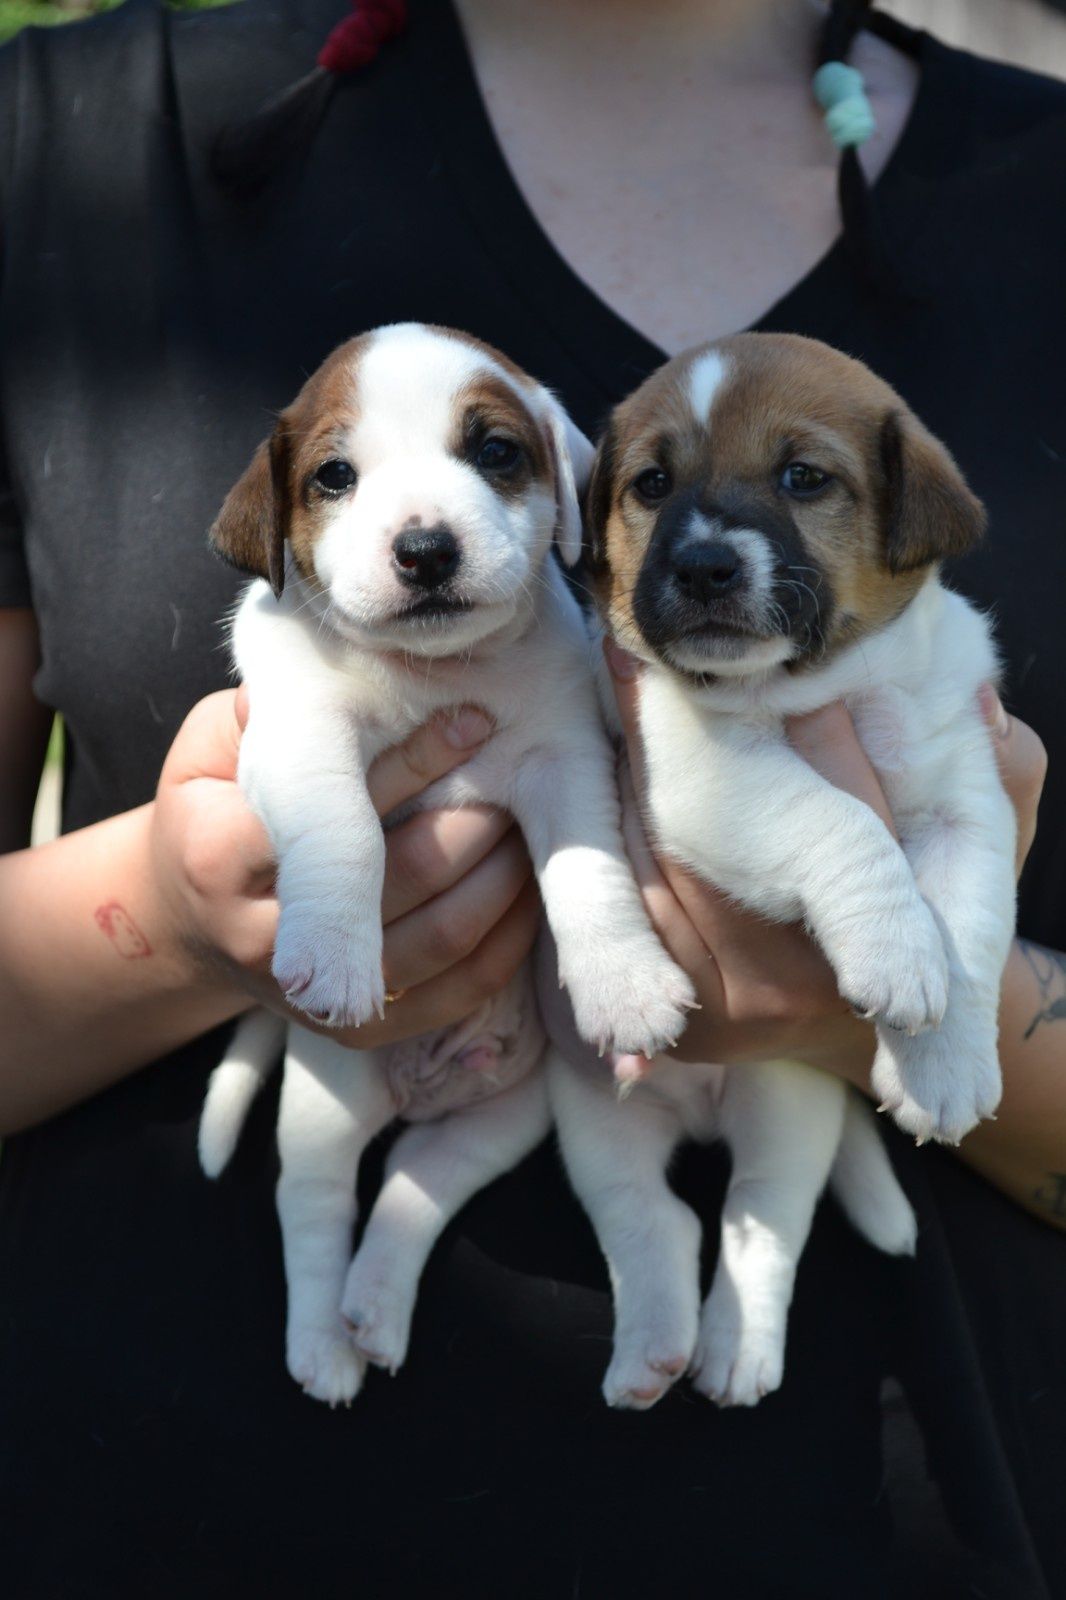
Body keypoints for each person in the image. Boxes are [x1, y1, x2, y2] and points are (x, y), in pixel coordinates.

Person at [0, 0, 1062, 1594]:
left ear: (552, 489)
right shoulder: (65, 142)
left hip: (910, 1521)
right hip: (161, 1517)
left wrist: (889, 998)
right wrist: (164, 922)